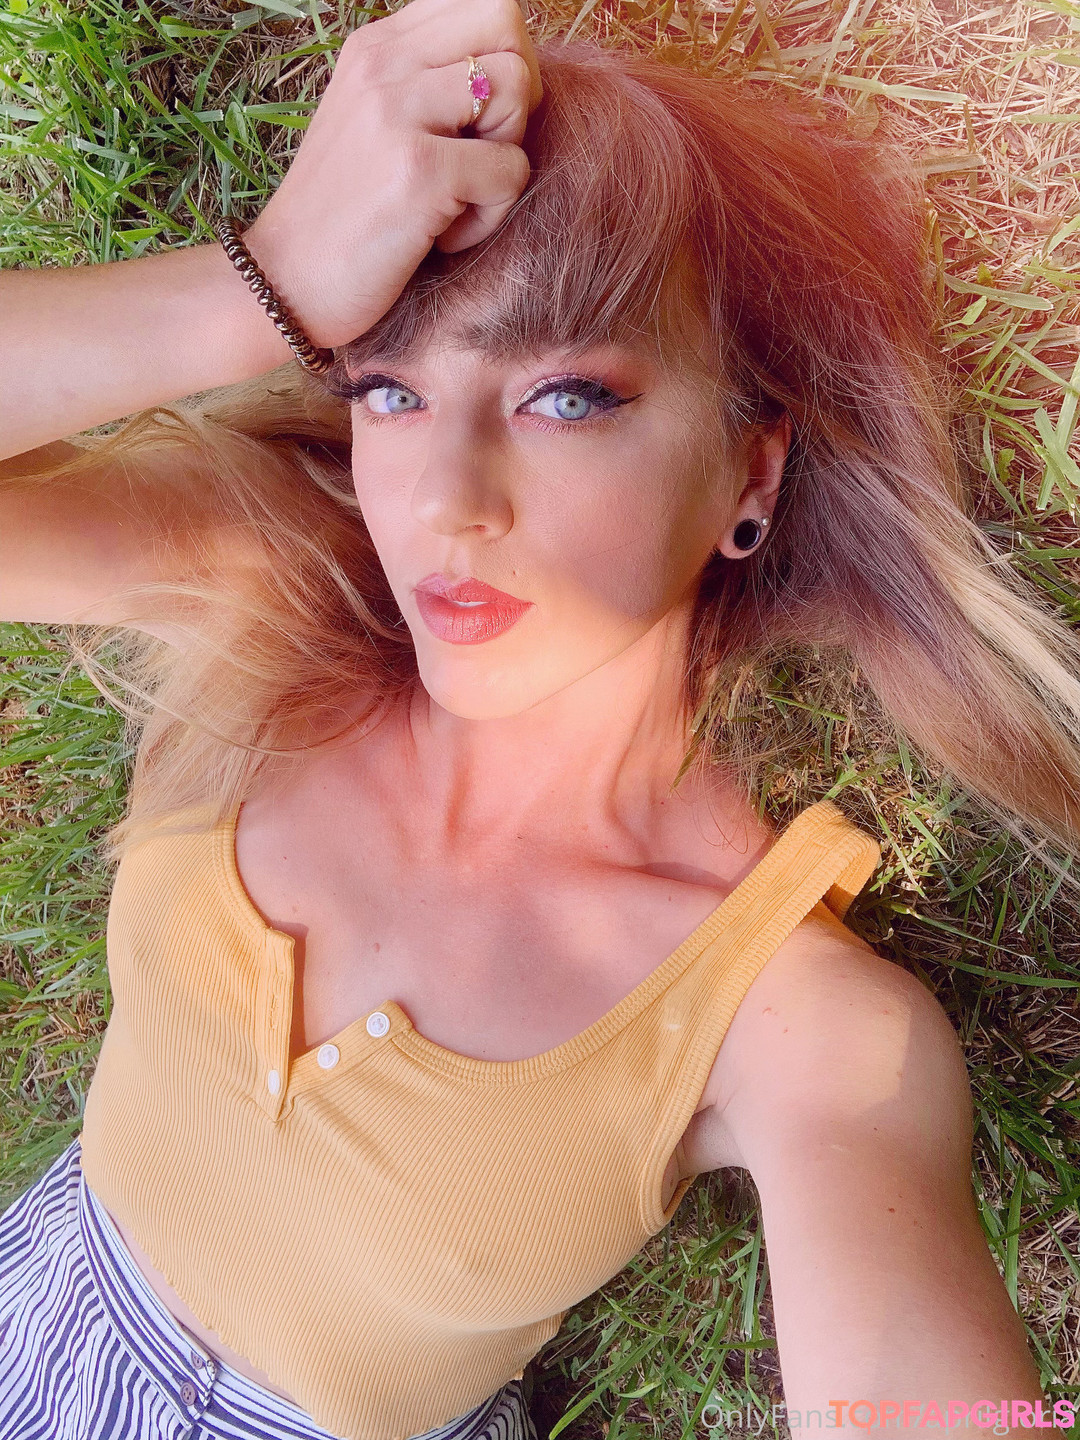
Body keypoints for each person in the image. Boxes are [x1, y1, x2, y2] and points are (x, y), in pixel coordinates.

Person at [0, 0, 1070, 1433]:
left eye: (568, 398)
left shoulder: (789, 1024)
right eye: (390, 390)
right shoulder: (270, 614)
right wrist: (267, 284)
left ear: (752, 473)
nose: (446, 503)